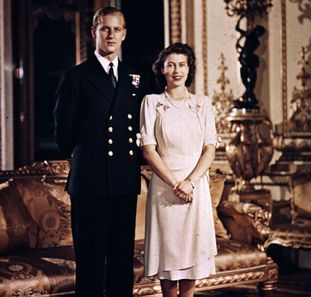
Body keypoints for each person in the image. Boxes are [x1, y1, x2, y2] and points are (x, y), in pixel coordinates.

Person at [54, 6, 143, 297]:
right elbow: (63, 135)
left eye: (117, 29)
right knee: (90, 264)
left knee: (121, 261)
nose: (111, 35)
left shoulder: (135, 77)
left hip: (124, 182)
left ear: (125, 34)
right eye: (105, 28)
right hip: (90, 182)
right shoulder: (75, 77)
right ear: (94, 32)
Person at [139, 43, 218, 297]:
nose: (176, 70)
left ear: (189, 69)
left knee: (191, 261)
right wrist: (176, 183)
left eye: (182, 65)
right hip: (166, 187)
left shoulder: (202, 103)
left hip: (195, 188)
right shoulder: (152, 103)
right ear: (161, 69)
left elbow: (210, 149)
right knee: (169, 262)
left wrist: (190, 183)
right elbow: (149, 150)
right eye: (170, 65)